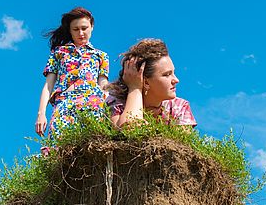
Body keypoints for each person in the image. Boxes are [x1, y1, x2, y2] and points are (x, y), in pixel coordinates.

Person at [36, 7, 110, 139]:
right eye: (76, 29)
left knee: (92, 149)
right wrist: (41, 114)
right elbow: (48, 85)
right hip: (64, 104)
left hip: (93, 104)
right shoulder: (59, 52)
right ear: (70, 31)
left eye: (84, 28)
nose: (81, 33)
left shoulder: (101, 56)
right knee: (58, 148)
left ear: (92, 27)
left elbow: (103, 85)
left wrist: (109, 110)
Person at [105, 38, 196, 128]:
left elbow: (179, 142)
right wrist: (135, 88)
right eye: (167, 74)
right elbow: (129, 129)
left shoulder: (179, 107)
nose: (176, 80)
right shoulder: (117, 102)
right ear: (145, 82)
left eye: (173, 73)